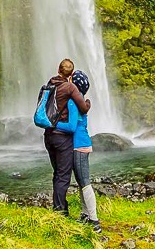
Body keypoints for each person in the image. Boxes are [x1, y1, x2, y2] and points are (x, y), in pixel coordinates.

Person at [43, 58, 90, 216]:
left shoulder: (49, 84)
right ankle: (60, 211)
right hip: (61, 137)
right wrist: (88, 104)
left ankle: (58, 206)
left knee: (57, 173)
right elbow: (83, 109)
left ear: (58, 69)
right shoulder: (70, 87)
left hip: (48, 135)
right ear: (71, 74)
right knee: (63, 176)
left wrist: (51, 124)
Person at [57, 69, 101, 233]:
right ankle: (85, 214)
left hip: (79, 145)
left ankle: (95, 221)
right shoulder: (80, 99)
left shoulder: (73, 101)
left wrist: (53, 123)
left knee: (85, 183)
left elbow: (71, 126)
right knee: (81, 182)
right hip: (81, 144)